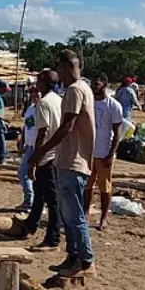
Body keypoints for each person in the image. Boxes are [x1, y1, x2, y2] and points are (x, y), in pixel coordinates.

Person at [29, 49, 95, 278]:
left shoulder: (76, 90)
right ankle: (73, 256)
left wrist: (42, 152)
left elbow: (67, 126)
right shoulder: (81, 88)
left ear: (67, 67)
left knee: (74, 215)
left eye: (59, 69)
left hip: (73, 160)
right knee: (68, 214)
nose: (59, 75)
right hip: (70, 159)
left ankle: (85, 261)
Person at [21, 69, 63, 251]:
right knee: (39, 193)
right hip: (55, 154)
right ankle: (31, 224)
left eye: (38, 81)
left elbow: (42, 132)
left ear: (44, 83)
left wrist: (34, 159)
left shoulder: (44, 103)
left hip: (47, 157)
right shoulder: (58, 100)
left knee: (52, 199)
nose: (35, 85)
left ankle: (53, 238)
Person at [86, 74, 124, 231]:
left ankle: (103, 217)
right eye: (93, 83)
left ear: (105, 84)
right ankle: (85, 214)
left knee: (105, 187)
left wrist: (111, 154)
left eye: (98, 83)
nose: (95, 86)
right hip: (88, 152)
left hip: (104, 153)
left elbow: (117, 132)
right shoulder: (88, 103)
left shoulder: (113, 105)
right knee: (87, 186)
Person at [15, 86, 40, 211]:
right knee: (23, 173)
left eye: (36, 92)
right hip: (29, 147)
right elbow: (25, 128)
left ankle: (33, 201)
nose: (34, 95)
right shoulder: (30, 108)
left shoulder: (42, 109)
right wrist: (22, 145)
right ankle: (29, 199)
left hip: (39, 148)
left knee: (35, 175)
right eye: (32, 92)